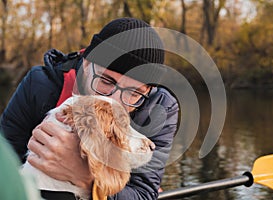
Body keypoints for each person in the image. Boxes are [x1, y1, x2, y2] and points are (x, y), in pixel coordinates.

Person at [0, 17, 179, 200]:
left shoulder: (160, 108)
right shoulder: (42, 86)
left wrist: (85, 178)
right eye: (106, 80)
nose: (115, 100)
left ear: (149, 90)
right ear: (86, 64)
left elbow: (143, 194)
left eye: (134, 92)